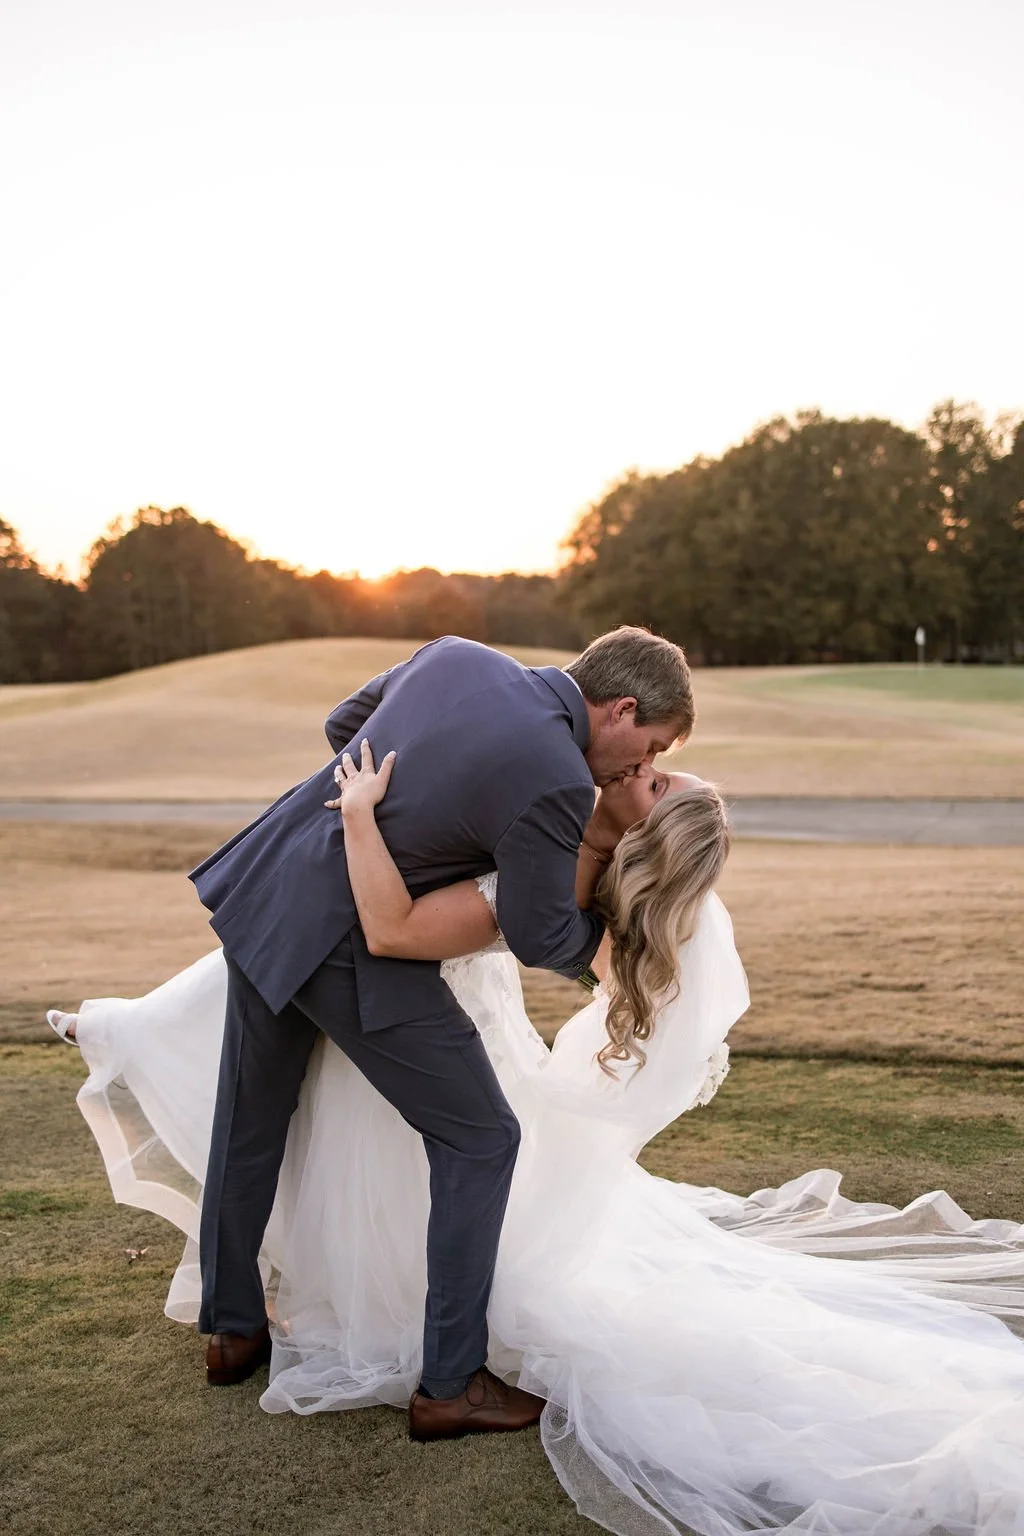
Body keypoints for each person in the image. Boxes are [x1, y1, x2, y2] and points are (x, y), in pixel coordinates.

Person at [50, 742, 1024, 1534]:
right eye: (654, 760)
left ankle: (367, 1333)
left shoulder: (554, 865)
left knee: (354, 1126)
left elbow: (395, 929)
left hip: (420, 1012)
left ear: (645, 819)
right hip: (432, 1014)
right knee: (320, 1122)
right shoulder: (565, 842)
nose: (641, 765)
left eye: (656, 776)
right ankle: (270, 1277)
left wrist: (355, 817)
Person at [157, 629, 693, 1435]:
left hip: (272, 882)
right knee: (482, 1138)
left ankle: (232, 1332)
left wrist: (397, 819)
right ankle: (451, 1384)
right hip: (349, 944)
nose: (630, 769)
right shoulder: (556, 780)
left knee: (251, 1119)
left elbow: (346, 727)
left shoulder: (455, 654)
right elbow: (542, 931)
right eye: (645, 747)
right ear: (620, 709)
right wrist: (616, 959)